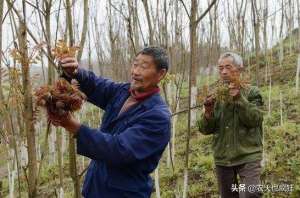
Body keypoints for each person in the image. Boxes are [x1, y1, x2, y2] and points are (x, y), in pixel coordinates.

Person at [49, 46, 171, 198]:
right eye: (135, 64)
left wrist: (73, 126)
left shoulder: (158, 117)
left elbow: (118, 149)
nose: (135, 72)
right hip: (96, 187)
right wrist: (76, 72)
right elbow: (97, 85)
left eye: (144, 67)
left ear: (161, 74)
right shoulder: (124, 92)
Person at [197, 52, 264, 198]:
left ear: (239, 69)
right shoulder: (216, 94)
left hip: (248, 154)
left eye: (228, 67)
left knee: (250, 193)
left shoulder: (252, 92)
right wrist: (208, 112)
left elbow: (256, 119)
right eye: (220, 68)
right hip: (223, 157)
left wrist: (239, 98)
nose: (224, 71)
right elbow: (205, 129)